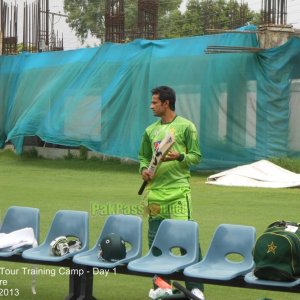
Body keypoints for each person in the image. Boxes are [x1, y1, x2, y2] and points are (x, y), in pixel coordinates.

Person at [138, 86, 205, 300]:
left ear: (166, 103)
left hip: (178, 192)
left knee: (187, 241)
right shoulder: (150, 130)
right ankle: (161, 286)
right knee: (156, 243)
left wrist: (179, 157)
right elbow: (143, 157)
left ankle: (196, 289)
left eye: (155, 102)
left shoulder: (187, 127)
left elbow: (196, 156)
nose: (151, 106)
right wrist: (143, 171)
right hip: (155, 194)